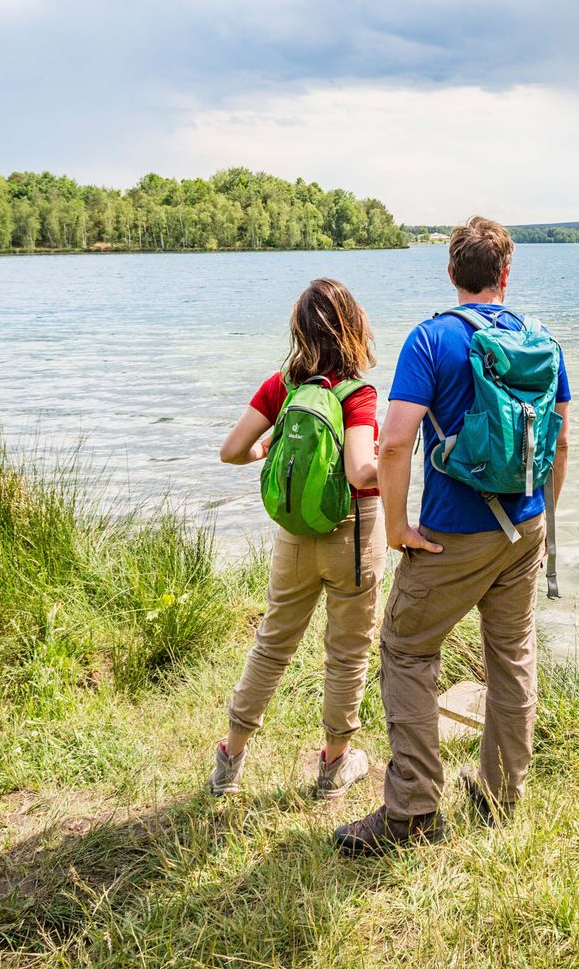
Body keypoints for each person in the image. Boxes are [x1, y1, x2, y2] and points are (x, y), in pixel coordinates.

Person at [334, 217, 571, 854]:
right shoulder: (540, 340)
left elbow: (399, 441)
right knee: (513, 654)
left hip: (451, 537)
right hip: (524, 527)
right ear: (506, 273)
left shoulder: (431, 340)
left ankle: (412, 811)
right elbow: (562, 441)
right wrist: (541, 523)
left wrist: (397, 527)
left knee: (407, 650)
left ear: (450, 273)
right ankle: (500, 794)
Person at [211, 277, 385, 800]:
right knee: (348, 651)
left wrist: (265, 451)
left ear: (299, 331)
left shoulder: (282, 386)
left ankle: (230, 759)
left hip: (293, 536)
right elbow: (360, 472)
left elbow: (231, 451)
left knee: (272, 644)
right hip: (352, 537)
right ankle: (334, 765)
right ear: (354, 328)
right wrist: (397, 459)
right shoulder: (358, 392)